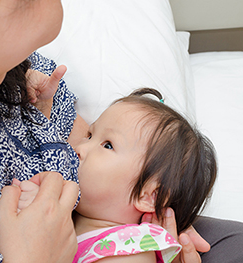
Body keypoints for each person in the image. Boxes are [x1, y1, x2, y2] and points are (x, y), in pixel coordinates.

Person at [0, 1, 241, 262]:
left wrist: (167, 200)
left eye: (102, 144)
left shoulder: (13, 74)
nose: (78, 149)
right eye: (93, 140)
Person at [15, 88, 217, 262]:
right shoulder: (78, 219)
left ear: (148, 196)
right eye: (89, 135)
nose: (79, 148)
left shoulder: (129, 250)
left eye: (107, 145)